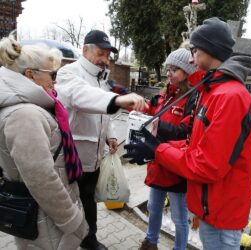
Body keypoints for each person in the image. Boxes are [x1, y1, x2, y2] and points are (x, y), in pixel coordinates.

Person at [124, 17, 251, 249]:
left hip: (222, 212)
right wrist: (154, 146)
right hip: (211, 207)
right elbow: (193, 144)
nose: (191, 57)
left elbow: (207, 164)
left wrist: (157, 150)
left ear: (209, 49)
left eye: (194, 50)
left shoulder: (229, 96)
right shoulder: (213, 91)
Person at [55, 30, 147, 250]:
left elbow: (102, 112)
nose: (105, 60)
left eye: (108, 55)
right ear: (85, 49)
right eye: (101, 53)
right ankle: (66, 241)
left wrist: (110, 135)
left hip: (95, 156)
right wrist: (118, 99)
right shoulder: (69, 73)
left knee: (89, 200)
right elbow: (83, 97)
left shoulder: (102, 78)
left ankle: (89, 239)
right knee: (68, 203)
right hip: (72, 155)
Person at [0, 35, 88, 249]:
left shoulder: (28, 107)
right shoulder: (25, 115)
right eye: (53, 74)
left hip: (46, 215)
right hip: (46, 219)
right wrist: (71, 219)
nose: (55, 81)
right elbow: (41, 179)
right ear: (30, 74)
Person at [139, 48, 197, 250]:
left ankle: (179, 248)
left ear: (187, 71)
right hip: (158, 162)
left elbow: (185, 131)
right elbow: (151, 110)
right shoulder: (164, 95)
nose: (169, 73)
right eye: (168, 68)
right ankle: (150, 242)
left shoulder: (193, 98)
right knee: (153, 208)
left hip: (176, 167)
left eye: (174, 69)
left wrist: (155, 124)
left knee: (179, 217)